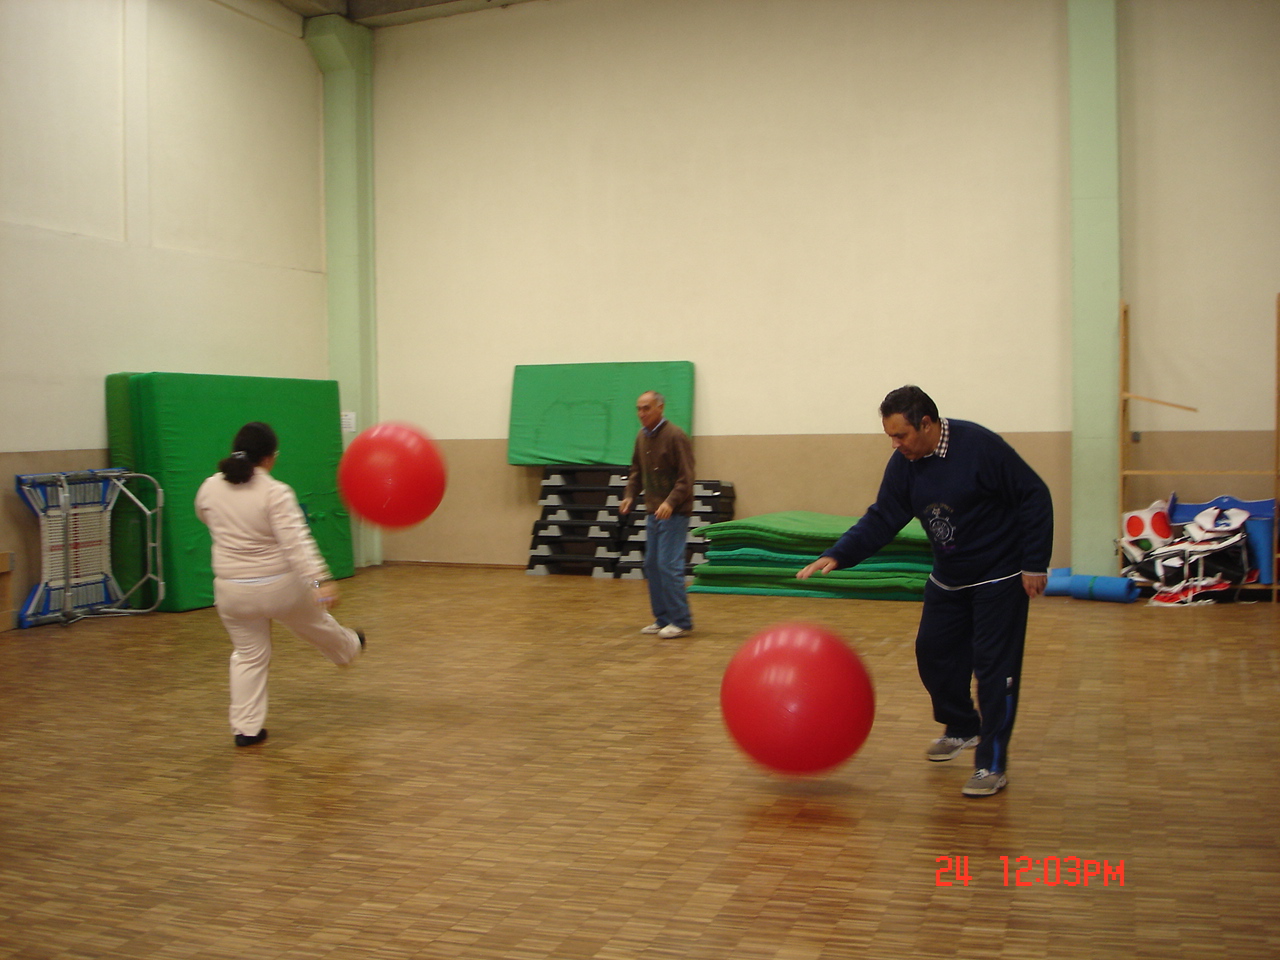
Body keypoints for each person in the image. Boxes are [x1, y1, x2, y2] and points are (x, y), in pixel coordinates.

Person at [798, 386, 1052, 797]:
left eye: (901, 436)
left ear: (927, 424)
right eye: (891, 438)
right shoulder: (905, 465)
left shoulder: (980, 447)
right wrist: (840, 554)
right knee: (933, 655)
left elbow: (1034, 495)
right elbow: (884, 516)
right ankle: (963, 725)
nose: (896, 446)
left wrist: (1034, 563)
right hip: (949, 578)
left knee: (994, 673)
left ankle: (991, 764)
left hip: (998, 577)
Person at [195, 422, 364, 747]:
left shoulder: (209, 488)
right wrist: (321, 581)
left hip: (232, 592)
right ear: (271, 458)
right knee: (315, 624)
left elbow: (205, 516)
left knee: (248, 656)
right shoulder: (276, 492)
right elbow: (296, 543)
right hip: (280, 588)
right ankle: (348, 650)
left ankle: (246, 730)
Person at [619, 391, 696, 639]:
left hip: (675, 513)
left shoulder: (676, 436)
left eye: (647, 408)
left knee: (668, 566)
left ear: (660, 408)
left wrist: (671, 502)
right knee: (652, 564)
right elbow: (636, 471)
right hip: (653, 512)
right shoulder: (641, 437)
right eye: (639, 409)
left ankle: (681, 621)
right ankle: (662, 618)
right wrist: (630, 494)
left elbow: (687, 478)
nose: (642, 413)